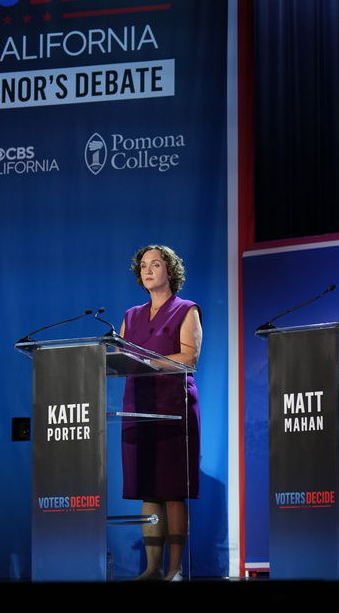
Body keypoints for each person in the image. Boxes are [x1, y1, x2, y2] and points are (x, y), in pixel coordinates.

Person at [119, 245, 202, 581]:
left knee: (172, 488)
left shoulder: (186, 309)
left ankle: (175, 568)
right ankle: (152, 568)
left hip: (174, 406)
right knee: (148, 486)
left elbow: (190, 358)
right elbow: (120, 354)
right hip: (138, 404)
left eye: (155, 264)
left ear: (171, 270)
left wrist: (149, 362)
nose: (148, 270)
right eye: (143, 266)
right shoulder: (131, 315)